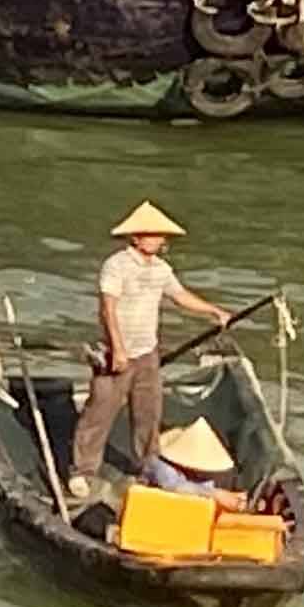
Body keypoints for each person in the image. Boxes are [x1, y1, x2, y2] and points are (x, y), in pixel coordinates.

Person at [67, 202, 228, 486]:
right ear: (136, 237)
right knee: (100, 412)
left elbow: (179, 295)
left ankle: (148, 467)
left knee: (148, 412)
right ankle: (83, 471)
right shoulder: (116, 265)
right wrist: (118, 349)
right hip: (115, 351)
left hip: (147, 352)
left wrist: (214, 311)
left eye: (161, 235)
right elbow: (108, 309)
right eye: (153, 235)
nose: (160, 240)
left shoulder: (161, 269)